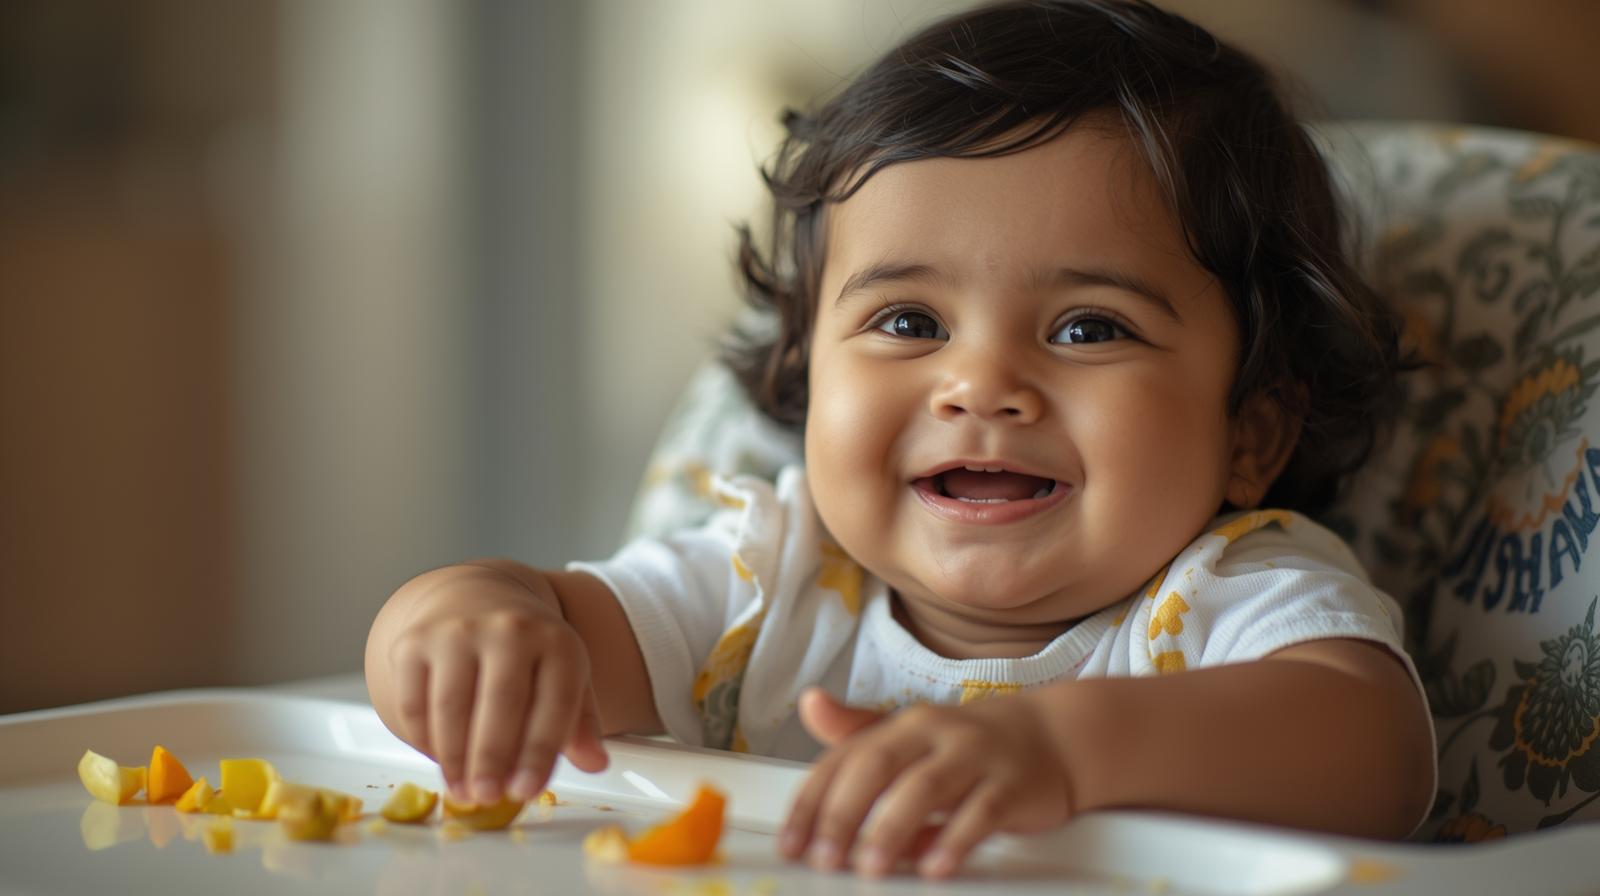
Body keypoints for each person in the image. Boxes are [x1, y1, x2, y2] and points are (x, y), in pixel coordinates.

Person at [365, 0, 1436, 879]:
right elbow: (543, 623)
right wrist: (457, 623)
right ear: (807, 374)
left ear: (1249, 430)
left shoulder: (1226, 595)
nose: (980, 382)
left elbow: (1370, 749)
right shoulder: (769, 584)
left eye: (1087, 327)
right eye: (909, 323)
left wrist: (1057, 749)